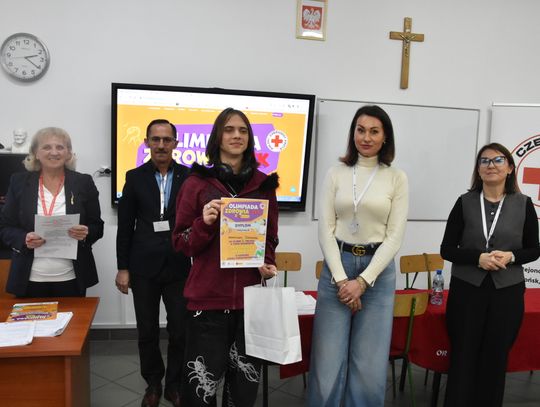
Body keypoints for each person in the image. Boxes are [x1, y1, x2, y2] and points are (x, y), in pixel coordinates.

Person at [172, 108, 279, 407]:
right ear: (218, 136)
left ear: (250, 138)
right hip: (208, 302)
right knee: (201, 390)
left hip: (249, 302)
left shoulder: (264, 185)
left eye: (243, 130)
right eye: (229, 129)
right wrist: (203, 223)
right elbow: (180, 243)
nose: (236, 135)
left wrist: (267, 261)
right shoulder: (196, 183)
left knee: (243, 390)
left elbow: (270, 237)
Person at [307, 105, 409, 406]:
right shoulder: (335, 173)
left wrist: (362, 282)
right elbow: (325, 230)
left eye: (374, 131)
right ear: (353, 134)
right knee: (327, 361)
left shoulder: (397, 177)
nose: (366, 137)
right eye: (361, 130)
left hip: (378, 271)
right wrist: (342, 281)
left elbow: (394, 237)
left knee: (369, 363)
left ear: (385, 137)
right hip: (337, 266)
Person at [441, 142, 540, 407]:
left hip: (507, 293)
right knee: (463, 357)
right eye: (484, 161)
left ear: (510, 168)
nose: (491, 165)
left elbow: (534, 249)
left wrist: (512, 256)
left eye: (498, 160)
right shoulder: (464, 203)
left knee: (495, 359)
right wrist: (477, 258)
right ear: (478, 169)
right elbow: (447, 249)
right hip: (467, 291)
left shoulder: (524, 204)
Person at [115, 119, 191, 407]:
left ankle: (175, 384)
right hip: (143, 266)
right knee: (147, 330)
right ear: (146, 142)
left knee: (180, 329)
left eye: (166, 139)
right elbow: (125, 226)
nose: (161, 145)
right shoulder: (134, 177)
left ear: (175, 143)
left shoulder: (189, 177)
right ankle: (154, 383)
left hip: (179, 265)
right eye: (155, 139)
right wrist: (123, 268)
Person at [0, 127, 103, 297]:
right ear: (36, 153)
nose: (54, 152)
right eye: (46, 147)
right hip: (29, 278)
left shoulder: (83, 182)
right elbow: (5, 227)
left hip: (72, 277)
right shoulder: (19, 182)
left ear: (68, 153)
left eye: (60, 147)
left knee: (73, 316)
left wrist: (86, 232)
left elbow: (97, 226)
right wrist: (24, 238)